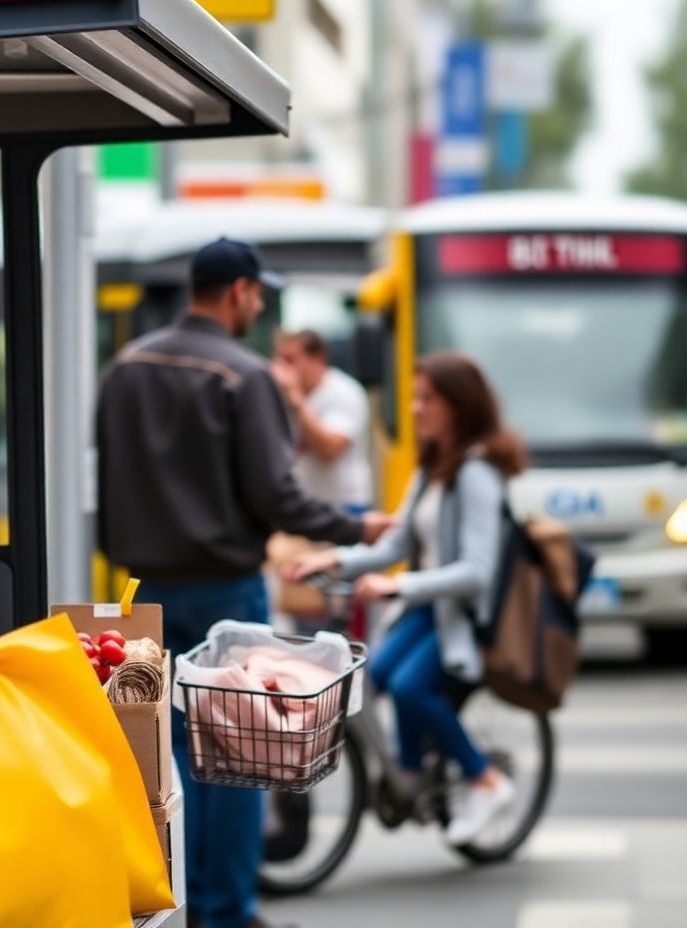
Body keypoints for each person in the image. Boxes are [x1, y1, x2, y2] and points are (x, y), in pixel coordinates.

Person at [96, 237, 391, 928]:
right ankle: (225, 911)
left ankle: (176, 903)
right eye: (258, 296)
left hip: (147, 592)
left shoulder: (125, 369)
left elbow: (102, 488)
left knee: (161, 752)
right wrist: (356, 528)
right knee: (235, 754)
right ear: (237, 292)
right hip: (227, 589)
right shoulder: (244, 377)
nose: (258, 308)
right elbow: (278, 497)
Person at [286, 351, 527, 846]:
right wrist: (334, 561)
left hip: (462, 614)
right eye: (415, 398)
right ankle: (413, 771)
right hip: (428, 608)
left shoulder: (477, 473)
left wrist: (399, 585)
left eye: (427, 399)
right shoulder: (436, 465)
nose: (416, 409)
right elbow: (396, 545)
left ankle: (484, 778)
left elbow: (477, 572)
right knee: (375, 676)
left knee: (412, 688)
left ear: (458, 406)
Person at [270, 329, 372, 514]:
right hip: (302, 507)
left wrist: (294, 398)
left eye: (290, 360)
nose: (282, 369)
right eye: (280, 360)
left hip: (343, 507)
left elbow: (329, 450)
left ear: (318, 359)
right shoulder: (282, 396)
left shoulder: (343, 392)